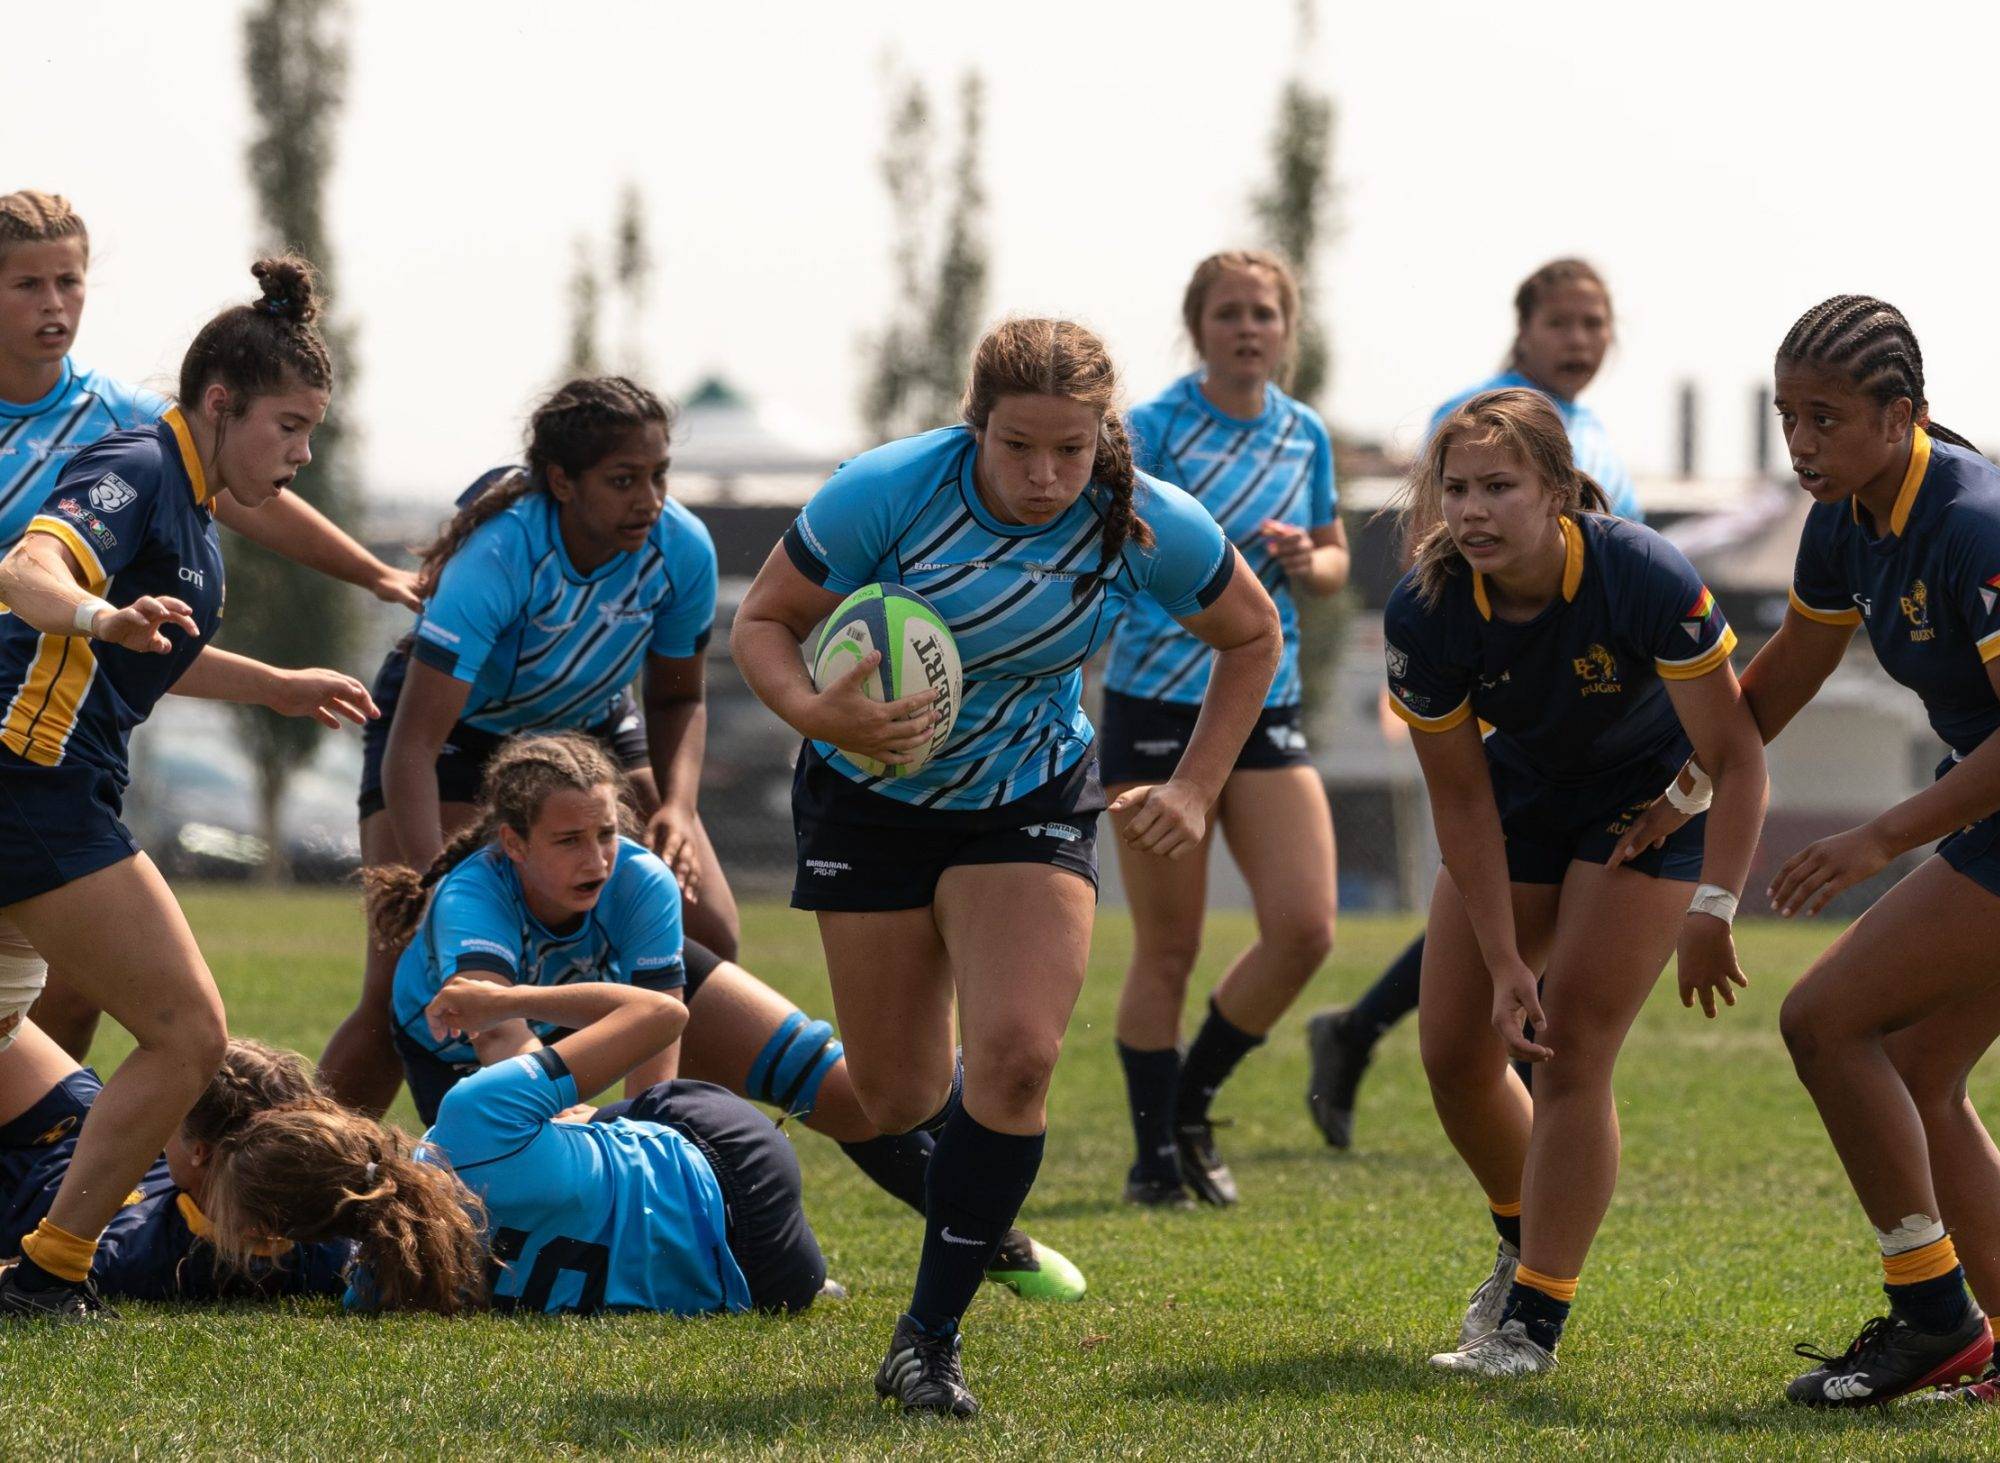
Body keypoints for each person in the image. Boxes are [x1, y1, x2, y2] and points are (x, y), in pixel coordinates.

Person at [731, 316, 1282, 1416]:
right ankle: (818, 1077)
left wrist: (1193, 784)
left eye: (1069, 450)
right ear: (972, 425)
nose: (1043, 476)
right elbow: (763, 620)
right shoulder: (883, 491)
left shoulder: (1137, 520)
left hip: (1025, 799)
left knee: (1018, 1058)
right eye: (1018, 446)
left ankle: (924, 1339)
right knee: (897, 1093)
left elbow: (1252, 633)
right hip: (867, 802)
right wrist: (811, 707)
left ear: (1102, 439)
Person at [1613, 296, 2000, 1408]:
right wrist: (1683, 789)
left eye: (1825, 417)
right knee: (1914, 1071)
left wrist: (1882, 836)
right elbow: (1780, 680)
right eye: (1784, 416)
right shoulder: (1846, 519)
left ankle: (1929, 1316)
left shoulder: (1976, 523)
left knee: (1824, 1019)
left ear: (1900, 413)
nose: (1799, 442)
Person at [368, 732, 1085, 1300]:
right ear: (513, 844)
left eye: (606, 833)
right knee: (512, 1205)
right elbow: (501, 1036)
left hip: (632, 1010)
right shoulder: (471, 900)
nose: (597, 857)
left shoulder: (636, 876)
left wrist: (641, 1128)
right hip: (470, 1053)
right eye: (568, 841)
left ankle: (989, 1237)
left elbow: (656, 1081)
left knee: (855, 1096)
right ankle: (728, 1271)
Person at [0, 255, 375, 1318]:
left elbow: (157, 655)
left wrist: (276, 686)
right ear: (220, 403)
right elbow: (28, 569)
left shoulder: (195, 514)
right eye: (288, 427)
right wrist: (94, 615)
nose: (300, 455)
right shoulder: (138, 466)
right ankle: (51, 1267)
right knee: (189, 1035)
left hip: (48, 788)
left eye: (310, 432)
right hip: (32, 785)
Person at [1381, 388, 1765, 1377]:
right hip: (1523, 796)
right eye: (1453, 487)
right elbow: (1460, 803)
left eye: (1497, 486)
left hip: (1646, 803)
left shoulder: (1637, 570)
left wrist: (1714, 906)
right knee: (1452, 1050)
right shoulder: (1425, 609)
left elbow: (1736, 750)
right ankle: (1520, 1240)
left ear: (1554, 489)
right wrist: (1507, 960)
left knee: (1569, 1050)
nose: (1469, 509)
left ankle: (1531, 1322)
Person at [1, 190, 419, 1061]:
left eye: (69, 281)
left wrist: (372, 574)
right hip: (24, 744)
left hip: (41, 727)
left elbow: (246, 491)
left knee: (74, 991)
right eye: (28, 284)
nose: (54, 304)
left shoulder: (127, 422)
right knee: (160, 1021)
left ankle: (47, 1176)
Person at [318, 377, 741, 1117]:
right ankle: (291, 1185)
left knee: (709, 931)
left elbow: (677, 696)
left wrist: (676, 804)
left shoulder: (682, 548)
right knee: (402, 986)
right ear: (561, 482)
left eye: (658, 475)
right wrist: (431, 893)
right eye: (623, 480)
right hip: (456, 734)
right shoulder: (504, 553)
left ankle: (671, 1135)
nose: (649, 498)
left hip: (588, 727)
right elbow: (413, 745)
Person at [1308, 257, 1643, 1149]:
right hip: (1511, 718)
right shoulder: (1480, 417)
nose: (1579, 340)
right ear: (1524, 328)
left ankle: (1362, 1032)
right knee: (1505, 921)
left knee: (1527, 932)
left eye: (1594, 323)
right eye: (1561, 322)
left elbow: (1623, 571)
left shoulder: (1595, 433)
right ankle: (1536, 1143)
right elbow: (1442, 569)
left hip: (1599, 724)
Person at [1102, 250, 1344, 1207]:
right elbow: (1118, 544)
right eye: (1229, 313)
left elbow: (1329, 565)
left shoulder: (1305, 434)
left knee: (1306, 928)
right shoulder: (1154, 429)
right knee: (1169, 945)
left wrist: (1306, 561)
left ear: (1287, 329)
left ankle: (1191, 1102)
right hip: (1158, 704)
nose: (1249, 328)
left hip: (1267, 700)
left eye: (1265, 314)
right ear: (1197, 327)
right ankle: (1152, 1157)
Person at [212, 976, 833, 1318]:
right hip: (735, 1156)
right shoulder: (468, 1119)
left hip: (777, 1280)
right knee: (576, 1114)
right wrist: (508, 1001)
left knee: (549, 1136)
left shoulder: (386, 1289)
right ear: (339, 1124)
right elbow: (661, 1014)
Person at [0, 1020, 352, 1304]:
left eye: (172, 1115)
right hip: (73, 1126)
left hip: (25, 1173)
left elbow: (22, 1279)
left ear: (199, 1151)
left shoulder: (132, 1255)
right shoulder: (323, 1237)